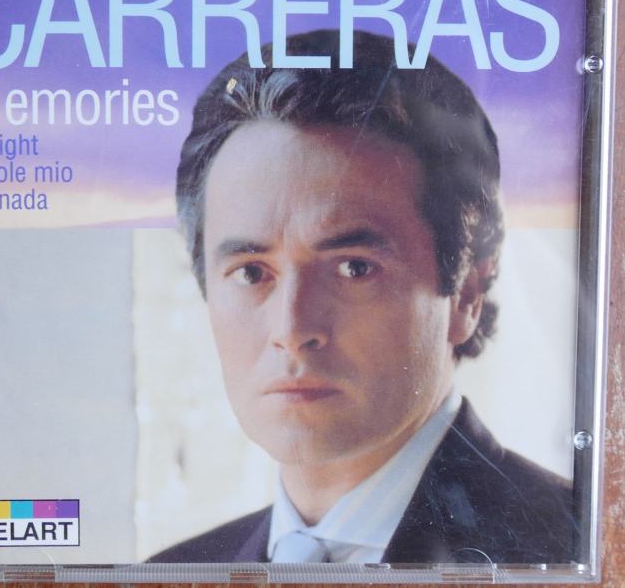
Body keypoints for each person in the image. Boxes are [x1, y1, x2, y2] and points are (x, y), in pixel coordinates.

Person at [149, 30, 575, 564]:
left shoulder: (576, 548)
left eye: (354, 268)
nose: (291, 330)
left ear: (466, 293)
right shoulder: (171, 571)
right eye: (252, 272)